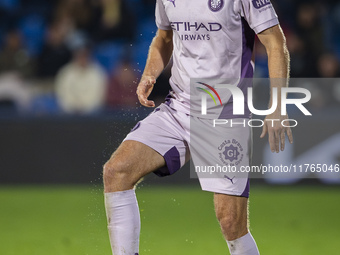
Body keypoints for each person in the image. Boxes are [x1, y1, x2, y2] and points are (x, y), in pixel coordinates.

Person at [103, 0, 293, 254]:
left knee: (230, 222)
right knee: (116, 172)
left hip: (225, 114)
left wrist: (277, 106)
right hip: (179, 107)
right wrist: (150, 73)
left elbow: (275, 42)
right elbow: (164, 38)